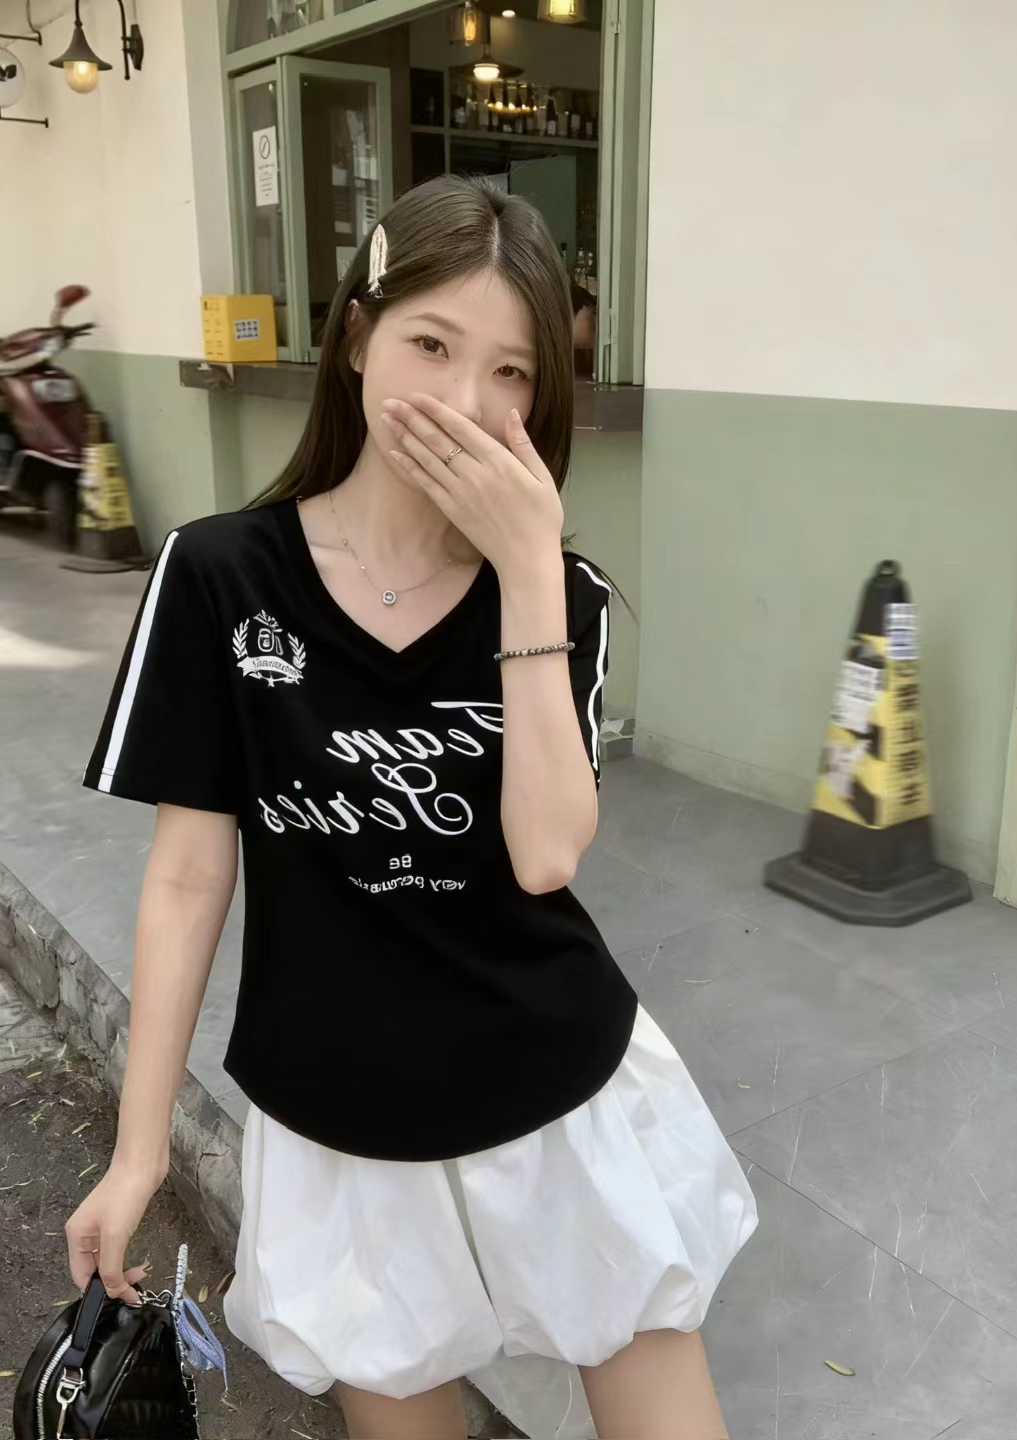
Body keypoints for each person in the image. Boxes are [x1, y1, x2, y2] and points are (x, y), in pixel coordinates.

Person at [65, 174, 759, 1440]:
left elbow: (546, 855)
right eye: (431, 345)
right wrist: (139, 1150)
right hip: (339, 1118)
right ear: (355, 339)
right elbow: (187, 876)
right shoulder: (220, 574)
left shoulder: (561, 594)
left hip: (557, 1085)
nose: (465, 402)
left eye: (511, 372)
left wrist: (529, 570)